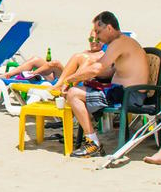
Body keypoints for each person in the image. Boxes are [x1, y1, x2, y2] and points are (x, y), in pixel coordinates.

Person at [60, 12, 149, 158]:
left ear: (109, 28)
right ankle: (91, 139)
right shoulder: (123, 42)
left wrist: (68, 79)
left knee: (73, 94)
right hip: (124, 93)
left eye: (98, 31)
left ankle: (93, 143)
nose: (97, 36)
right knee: (80, 89)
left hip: (129, 96)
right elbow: (107, 71)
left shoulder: (119, 43)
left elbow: (97, 68)